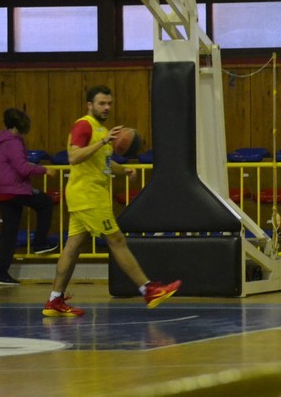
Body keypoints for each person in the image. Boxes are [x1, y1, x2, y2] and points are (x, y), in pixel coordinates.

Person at [42, 85, 181, 317]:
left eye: (109, 103)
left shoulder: (101, 130)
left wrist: (123, 170)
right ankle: (148, 290)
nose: (106, 107)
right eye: (101, 103)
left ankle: (54, 300)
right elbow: (73, 157)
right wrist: (103, 141)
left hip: (85, 196)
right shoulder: (84, 125)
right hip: (89, 196)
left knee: (73, 247)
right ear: (90, 105)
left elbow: (102, 163)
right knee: (116, 240)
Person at [0, 108, 59, 286]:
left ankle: (1, 273)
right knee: (45, 202)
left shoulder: (2, 142)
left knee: (9, 233)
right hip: (13, 189)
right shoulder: (13, 142)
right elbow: (22, 168)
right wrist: (45, 170)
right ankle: (40, 243)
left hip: (1, 191)